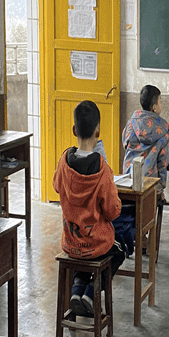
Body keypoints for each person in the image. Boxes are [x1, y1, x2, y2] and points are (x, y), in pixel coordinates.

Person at [54, 100, 126, 316]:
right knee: (119, 249)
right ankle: (91, 293)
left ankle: (77, 290)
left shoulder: (63, 161)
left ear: (74, 130)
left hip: (71, 242)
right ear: (98, 132)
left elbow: (56, 186)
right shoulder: (102, 169)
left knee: (85, 252)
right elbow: (112, 211)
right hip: (95, 244)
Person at [122, 84, 169, 199]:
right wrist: (161, 187)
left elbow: (125, 144)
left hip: (128, 180)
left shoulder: (131, 124)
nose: (161, 105)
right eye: (160, 101)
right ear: (154, 107)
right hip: (150, 184)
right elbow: (163, 163)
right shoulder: (163, 132)